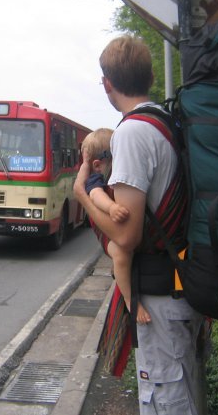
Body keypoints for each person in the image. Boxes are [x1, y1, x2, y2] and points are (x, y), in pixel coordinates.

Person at [74, 35, 207, 414]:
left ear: (107, 84)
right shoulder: (168, 121)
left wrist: (82, 193)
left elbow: (127, 236)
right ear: (150, 77)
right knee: (184, 390)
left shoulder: (132, 133)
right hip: (182, 283)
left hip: (161, 298)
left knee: (166, 400)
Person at [82, 128, 152, 325]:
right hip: (110, 233)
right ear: (98, 164)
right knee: (121, 254)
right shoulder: (95, 178)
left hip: (117, 230)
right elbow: (95, 195)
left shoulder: (110, 172)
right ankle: (130, 300)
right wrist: (111, 207)